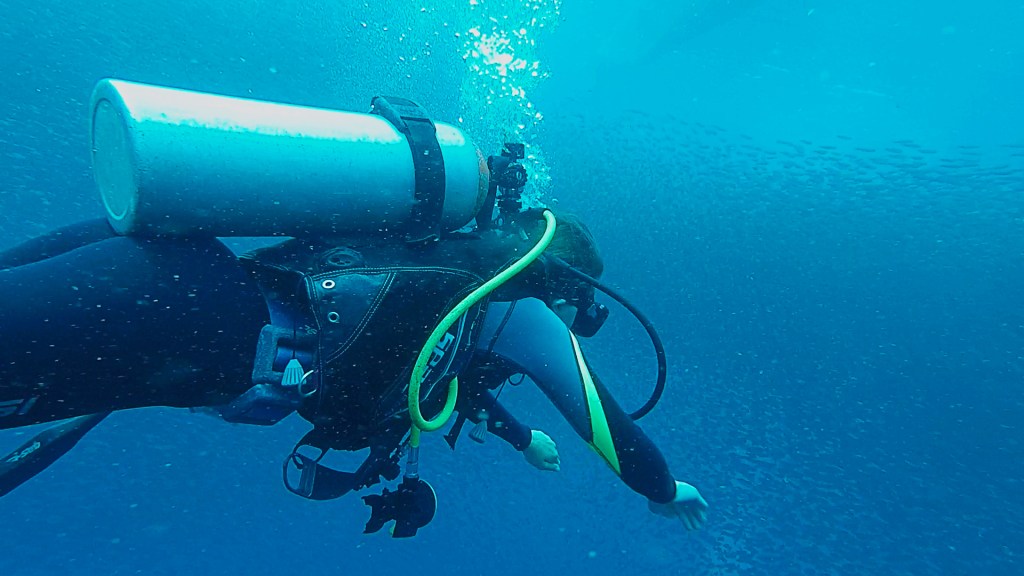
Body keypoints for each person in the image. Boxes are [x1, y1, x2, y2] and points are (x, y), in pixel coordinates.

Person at [0, 79, 707, 536]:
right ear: (557, 278)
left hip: (172, 277)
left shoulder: (459, 279)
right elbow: (602, 421)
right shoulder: (516, 307)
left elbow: (447, 381)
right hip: (190, 322)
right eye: (574, 300)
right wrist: (661, 486)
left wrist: (522, 440)